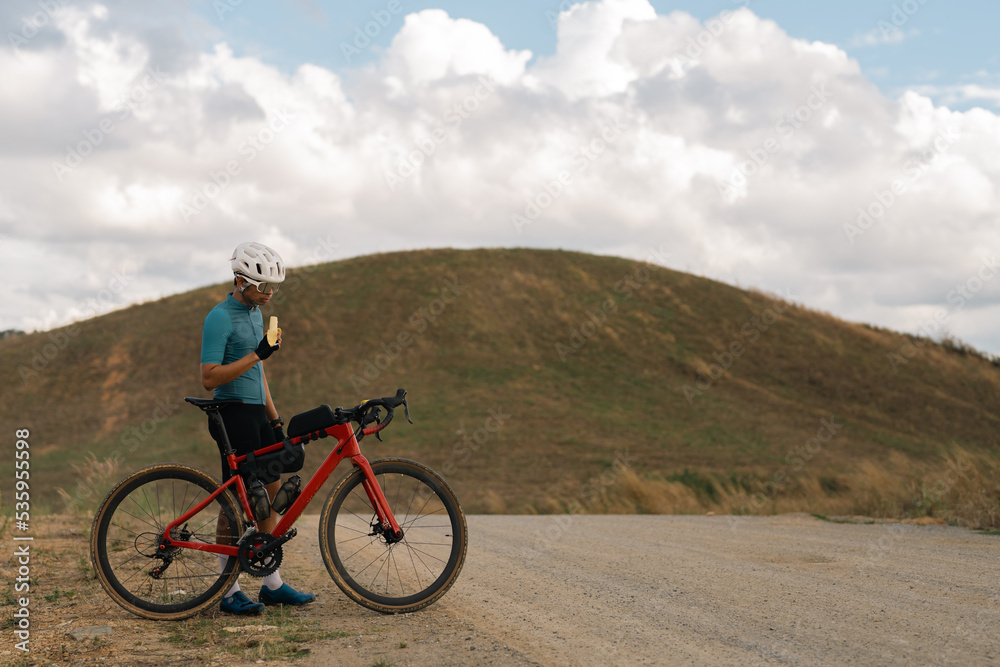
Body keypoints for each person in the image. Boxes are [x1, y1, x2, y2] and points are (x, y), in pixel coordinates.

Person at [200, 241, 315, 615]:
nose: (268, 294)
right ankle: (228, 589)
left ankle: (272, 584)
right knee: (234, 501)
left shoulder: (254, 313)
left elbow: (258, 370)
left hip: (257, 414)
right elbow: (208, 378)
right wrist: (257, 354)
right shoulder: (219, 317)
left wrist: (275, 418)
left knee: (272, 491)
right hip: (231, 413)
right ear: (239, 280)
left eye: (272, 289)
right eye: (261, 287)